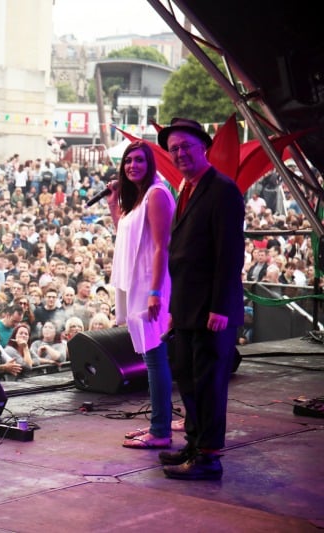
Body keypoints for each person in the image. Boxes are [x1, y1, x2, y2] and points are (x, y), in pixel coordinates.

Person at [158, 118, 245, 481]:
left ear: (203, 147)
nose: (179, 153)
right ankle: (195, 445)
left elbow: (229, 253)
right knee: (190, 380)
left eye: (186, 147)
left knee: (208, 385)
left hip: (212, 310)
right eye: (174, 148)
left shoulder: (222, 189)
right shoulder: (186, 188)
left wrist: (221, 307)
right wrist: (174, 309)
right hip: (187, 307)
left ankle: (209, 457)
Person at [108, 140, 175, 450]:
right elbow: (126, 235)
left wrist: (155, 291)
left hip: (150, 286)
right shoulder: (138, 199)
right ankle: (158, 425)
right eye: (128, 161)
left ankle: (160, 431)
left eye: (139, 160)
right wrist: (112, 206)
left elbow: (162, 246)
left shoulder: (157, 194)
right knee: (153, 358)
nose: (132, 165)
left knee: (156, 360)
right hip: (139, 287)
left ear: (150, 164)